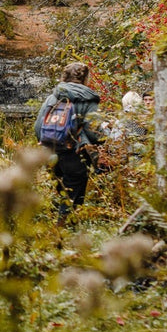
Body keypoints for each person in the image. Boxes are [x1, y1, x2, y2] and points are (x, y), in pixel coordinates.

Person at [34, 62, 106, 221]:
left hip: (50, 153)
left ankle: (52, 224)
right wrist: (105, 137)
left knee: (61, 188)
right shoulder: (88, 100)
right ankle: (63, 232)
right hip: (74, 154)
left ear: (65, 76)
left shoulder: (53, 97)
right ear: (85, 78)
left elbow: (38, 127)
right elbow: (95, 133)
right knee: (74, 192)